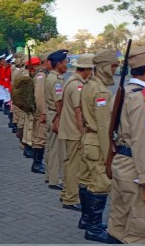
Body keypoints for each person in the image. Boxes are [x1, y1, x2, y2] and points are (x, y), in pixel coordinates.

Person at [107, 40, 145, 244]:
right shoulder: (141, 99)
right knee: (141, 234)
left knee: (119, 226)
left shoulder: (129, 92)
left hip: (124, 167)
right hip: (137, 173)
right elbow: (142, 141)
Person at [79, 49, 121, 240]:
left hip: (89, 140)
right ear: (104, 67)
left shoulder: (89, 85)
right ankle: (93, 229)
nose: (114, 70)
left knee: (86, 181)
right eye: (113, 66)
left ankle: (86, 220)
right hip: (98, 142)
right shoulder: (101, 90)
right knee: (100, 184)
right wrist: (108, 157)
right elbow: (104, 126)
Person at [61, 53, 97, 211]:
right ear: (87, 70)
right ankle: (71, 198)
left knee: (70, 164)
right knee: (74, 167)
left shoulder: (72, 81)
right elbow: (78, 112)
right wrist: (83, 133)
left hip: (69, 130)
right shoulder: (77, 86)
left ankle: (66, 193)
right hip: (75, 131)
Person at [46, 49, 71, 187]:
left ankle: (50, 175)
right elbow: (58, 102)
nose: (67, 65)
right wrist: (61, 117)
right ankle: (55, 180)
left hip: (51, 114)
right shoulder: (57, 80)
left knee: (51, 146)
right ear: (59, 64)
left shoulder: (52, 77)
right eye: (65, 62)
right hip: (55, 114)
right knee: (56, 148)